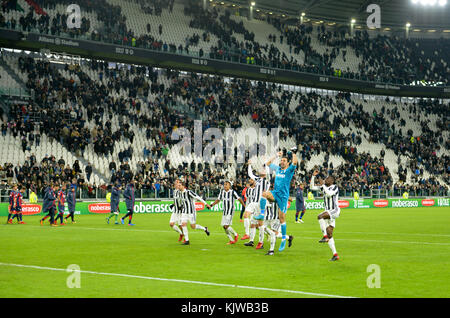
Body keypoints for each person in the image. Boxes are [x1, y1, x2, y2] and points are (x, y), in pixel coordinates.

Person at [259, 148, 298, 252]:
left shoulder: (289, 170)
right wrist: (277, 155)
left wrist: (294, 153)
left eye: (283, 160)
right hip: (275, 193)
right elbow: (267, 163)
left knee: (282, 218)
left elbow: (295, 162)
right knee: (264, 194)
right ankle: (262, 214)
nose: (281, 162)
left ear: (287, 163)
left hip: (283, 197)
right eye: (281, 160)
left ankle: (284, 239)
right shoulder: (278, 169)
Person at [310, 170, 340, 261]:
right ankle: (335, 254)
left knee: (320, 216)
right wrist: (313, 176)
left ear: (332, 181)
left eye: (328, 179)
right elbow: (312, 187)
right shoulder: (324, 187)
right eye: (325, 179)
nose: (326, 180)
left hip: (334, 211)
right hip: (328, 213)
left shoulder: (334, 187)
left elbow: (329, 193)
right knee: (330, 234)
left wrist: (322, 185)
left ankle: (324, 236)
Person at [244, 160, 270, 249]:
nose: (261, 170)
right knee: (250, 221)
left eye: (263, 170)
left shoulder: (267, 180)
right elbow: (250, 174)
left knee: (260, 223)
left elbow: (267, 170)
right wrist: (250, 164)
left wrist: (266, 165)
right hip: (254, 203)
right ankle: (250, 240)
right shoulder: (257, 179)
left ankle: (261, 242)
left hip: (261, 203)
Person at [209, 180, 245, 245]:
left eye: (226, 184)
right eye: (224, 184)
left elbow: (239, 199)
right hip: (225, 211)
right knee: (223, 226)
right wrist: (211, 205)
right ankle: (231, 240)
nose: (225, 185)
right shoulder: (222, 192)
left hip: (230, 211)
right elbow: (218, 200)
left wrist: (244, 206)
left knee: (226, 226)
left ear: (229, 186)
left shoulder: (233, 192)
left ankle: (235, 234)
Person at [178, 179, 211, 245]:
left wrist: (206, 204)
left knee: (193, 226)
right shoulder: (180, 193)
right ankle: (187, 240)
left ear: (183, 186)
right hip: (184, 212)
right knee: (183, 224)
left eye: (180, 185)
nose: (178, 187)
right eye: (178, 185)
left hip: (191, 212)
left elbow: (198, 197)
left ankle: (204, 228)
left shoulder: (189, 192)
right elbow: (183, 201)